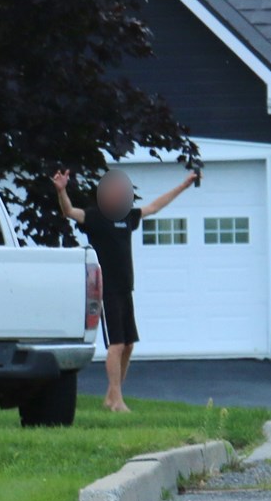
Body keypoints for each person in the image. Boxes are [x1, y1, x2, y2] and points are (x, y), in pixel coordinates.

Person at [53, 166, 199, 413]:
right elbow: (68, 211)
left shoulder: (126, 216)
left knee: (129, 344)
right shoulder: (95, 217)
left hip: (125, 289)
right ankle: (117, 402)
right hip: (106, 289)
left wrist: (184, 186)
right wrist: (62, 190)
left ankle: (112, 396)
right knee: (116, 345)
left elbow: (154, 207)